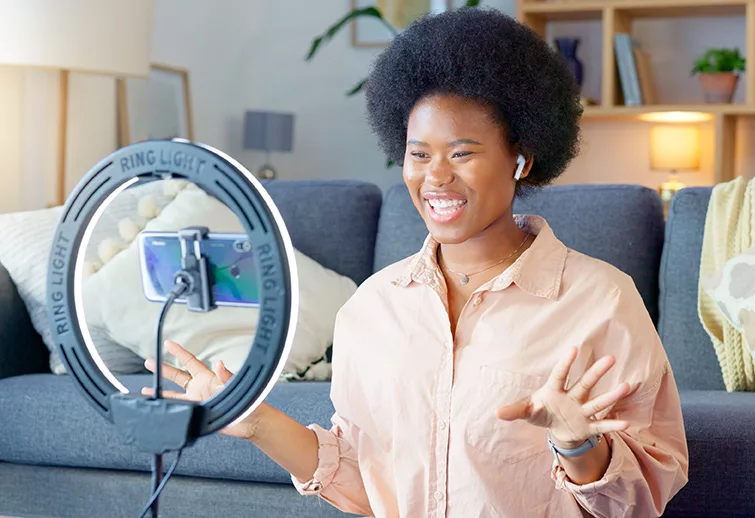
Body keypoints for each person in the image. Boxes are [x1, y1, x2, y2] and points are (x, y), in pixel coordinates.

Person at [143, 7, 688, 517]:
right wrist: (253, 418)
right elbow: (363, 481)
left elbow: (641, 500)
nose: (436, 177)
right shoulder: (372, 309)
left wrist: (579, 444)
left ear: (521, 158)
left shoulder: (600, 300)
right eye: (419, 153)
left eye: (463, 152)